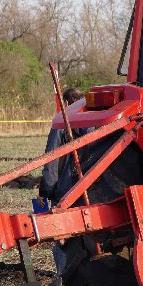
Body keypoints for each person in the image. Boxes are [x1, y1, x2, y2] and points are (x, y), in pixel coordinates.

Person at [37, 87, 89, 272]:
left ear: (66, 103)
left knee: (62, 237)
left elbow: (52, 160)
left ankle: (64, 275)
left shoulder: (63, 122)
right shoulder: (98, 120)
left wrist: (46, 191)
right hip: (93, 189)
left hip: (66, 189)